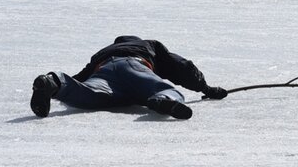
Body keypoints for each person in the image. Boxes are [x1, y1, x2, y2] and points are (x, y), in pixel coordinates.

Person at [30, 36, 227, 119]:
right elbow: (181, 66)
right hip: (135, 65)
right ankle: (163, 100)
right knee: (166, 90)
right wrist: (206, 88)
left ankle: (52, 82)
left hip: (103, 70)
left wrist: (62, 86)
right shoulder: (148, 45)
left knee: (88, 94)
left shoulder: (103, 52)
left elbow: (80, 77)